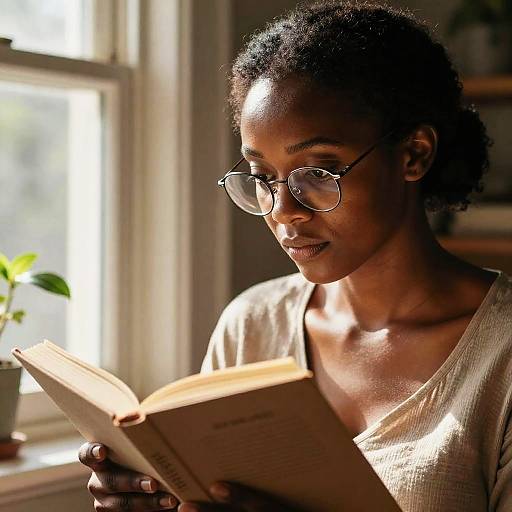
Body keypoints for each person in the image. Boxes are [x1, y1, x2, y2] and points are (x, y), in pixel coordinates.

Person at [78, 1, 512, 511]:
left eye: (318, 173)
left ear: (413, 154)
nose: (283, 212)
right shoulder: (252, 324)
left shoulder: (498, 357)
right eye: (263, 178)